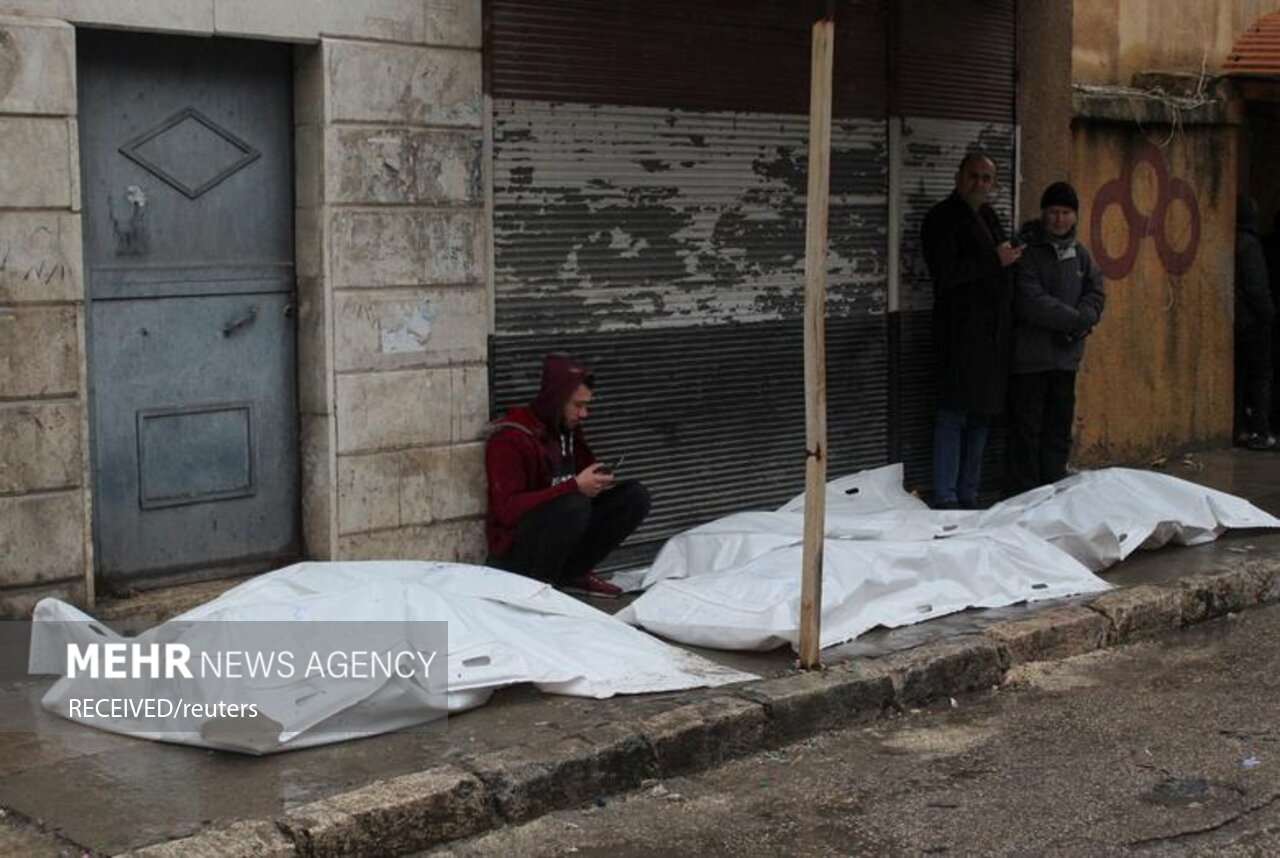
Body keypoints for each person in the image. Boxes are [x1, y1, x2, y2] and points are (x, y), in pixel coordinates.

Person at [484, 353, 651, 597]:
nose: (584, 414)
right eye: (578, 406)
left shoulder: (567, 431)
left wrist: (595, 480)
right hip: (517, 554)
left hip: (563, 534)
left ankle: (573, 573)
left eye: (586, 406)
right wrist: (573, 486)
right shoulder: (510, 438)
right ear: (556, 400)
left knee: (635, 497)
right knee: (573, 504)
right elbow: (506, 511)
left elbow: (579, 479)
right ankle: (538, 590)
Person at [920, 152, 1021, 509]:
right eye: (973, 176)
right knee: (953, 414)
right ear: (958, 177)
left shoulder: (990, 217)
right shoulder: (941, 219)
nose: (979, 184)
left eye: (986, 179)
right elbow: (947, 274)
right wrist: (995, 261)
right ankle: (946, 494)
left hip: (991, 336)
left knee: (981, 415)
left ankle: (969, 492)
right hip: (959, 333)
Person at [1006, 182, 1106, 495]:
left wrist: (1084, 319)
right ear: (1044, 213)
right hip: (1031, 359)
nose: (1059, 219)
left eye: (1065, 213)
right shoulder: (1027, 251)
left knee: (1057, 429)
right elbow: (1031, 301)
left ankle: (1053, 488)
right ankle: (1025, 493)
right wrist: (1076, 321)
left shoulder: (1080, 254)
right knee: (1027, 430)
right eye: (1053, 212)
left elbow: (1096, 292)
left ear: (1074, 216)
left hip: (1065, 359)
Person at [1235, 196, 1276, 450]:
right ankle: (1259, 431)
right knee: (1260, 375)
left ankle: (1241, 426)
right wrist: (1268, 314)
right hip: (1252, 321)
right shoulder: (1250, 245)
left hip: (1238, 320)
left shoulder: (1237, 241)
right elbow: (1256, 286)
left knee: (1242, 376)